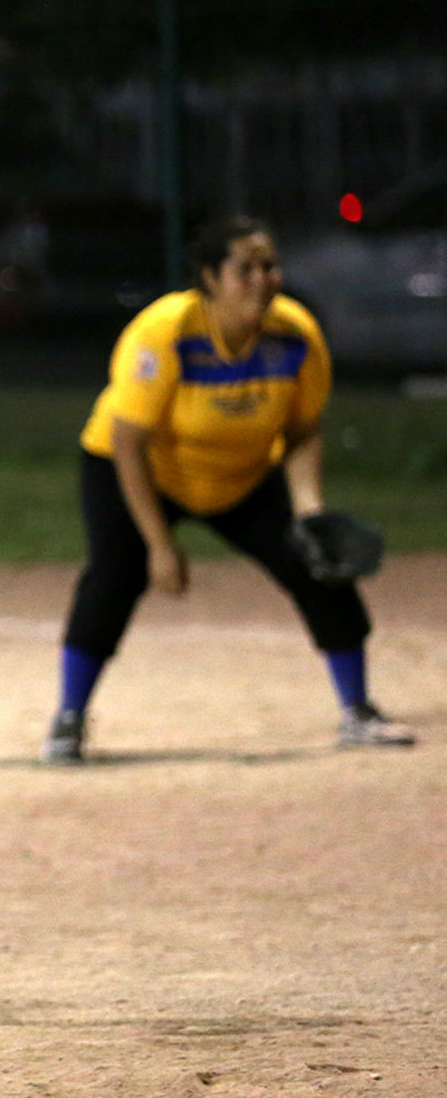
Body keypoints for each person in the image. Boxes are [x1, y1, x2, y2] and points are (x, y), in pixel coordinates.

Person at [43, 215, 416, 764]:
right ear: (210, 279)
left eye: (269, 267)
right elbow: (128, 443)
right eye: (244, 269)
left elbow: (303, 430)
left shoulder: (295, 336)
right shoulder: (166, 333)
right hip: (144, 469)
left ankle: (358, 713)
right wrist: (159, 546)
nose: (262, 280)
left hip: (241, 475)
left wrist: (308, 508)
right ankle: (68, 720)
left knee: (315, 565)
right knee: (113, 576)